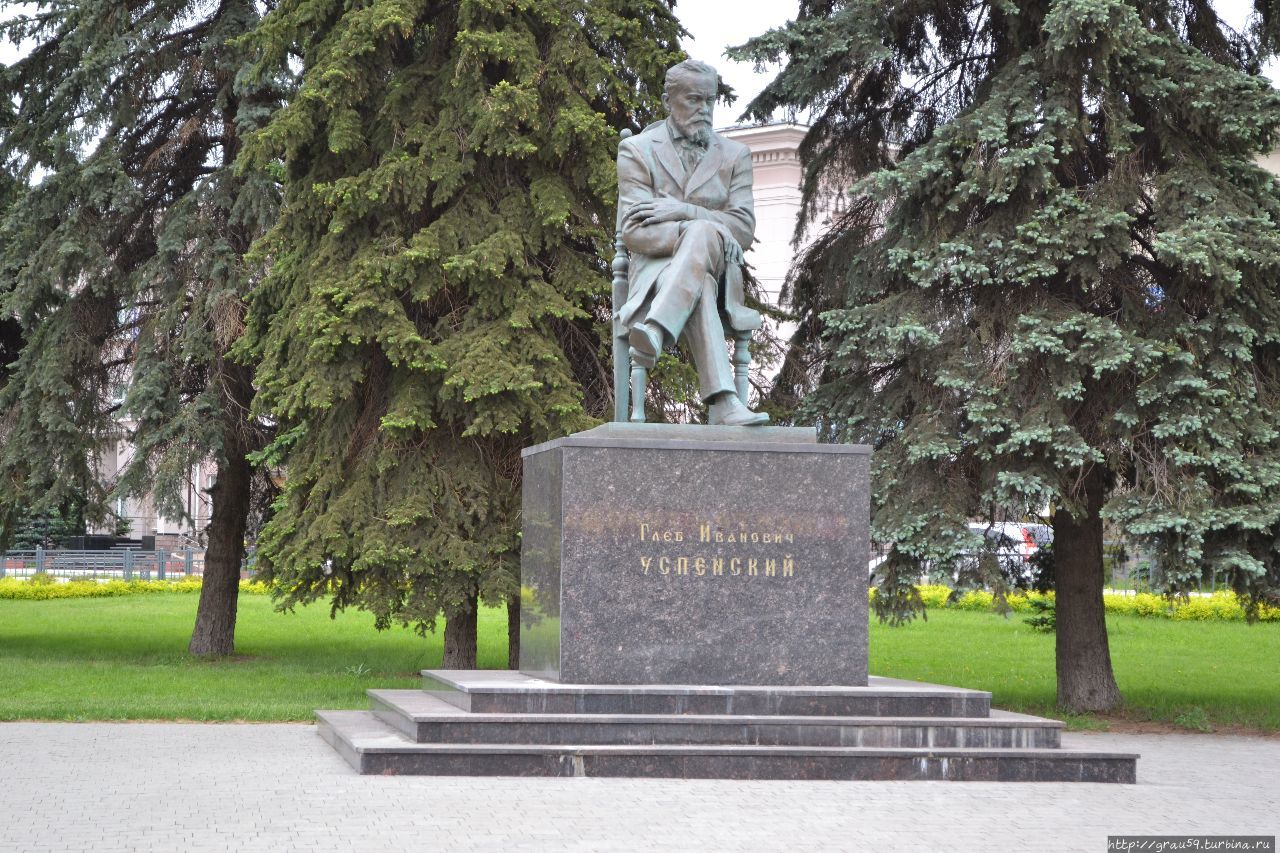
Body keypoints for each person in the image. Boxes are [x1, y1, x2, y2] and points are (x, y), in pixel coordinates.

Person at [616, 59, 769, 426]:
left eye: (710, 101)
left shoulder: (735, 156)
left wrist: (682, 211)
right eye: (694, 100)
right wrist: (695, 230)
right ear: (669, 100)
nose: (704, 109)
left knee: (701, 236)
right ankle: (722, 403)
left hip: (722, 268)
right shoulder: (638, 151)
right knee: (698, 273)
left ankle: (655, 330)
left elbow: (743, 229)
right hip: (657, 273)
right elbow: (634, 231)